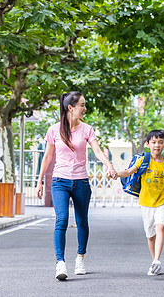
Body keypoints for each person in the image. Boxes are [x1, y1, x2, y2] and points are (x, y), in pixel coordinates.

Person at [35, 91, 117, 280]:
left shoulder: (87, 129)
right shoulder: (54, 130)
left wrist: (109, 165)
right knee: (61, 219)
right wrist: (39, 181)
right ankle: (60, 263)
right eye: (82, 105)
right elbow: (47, 157)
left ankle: (80, 259)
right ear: (70, 108)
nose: (84, 108)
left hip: (80, 181)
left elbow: (97, 151)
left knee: (82, 221)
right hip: (59, 181)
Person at [115, 129, 164, 276]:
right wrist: (116, 173)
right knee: (150, 235)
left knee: (160, 227)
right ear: (148, 144)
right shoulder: (144, 159)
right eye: (154, 142)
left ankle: (157, 261)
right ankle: (153, 260)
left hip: (161, 201)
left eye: (161, 142)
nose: (157, 145)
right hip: (145, 202)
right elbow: (129, 172)